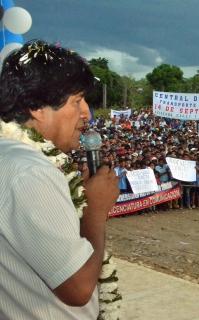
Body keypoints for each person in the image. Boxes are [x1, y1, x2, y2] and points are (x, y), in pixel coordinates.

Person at [0, 40, 119, 319]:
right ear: (36, 107)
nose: (86, 113)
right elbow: (76, 289)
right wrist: (95, 212)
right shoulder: (30, 172)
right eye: (76, 100)